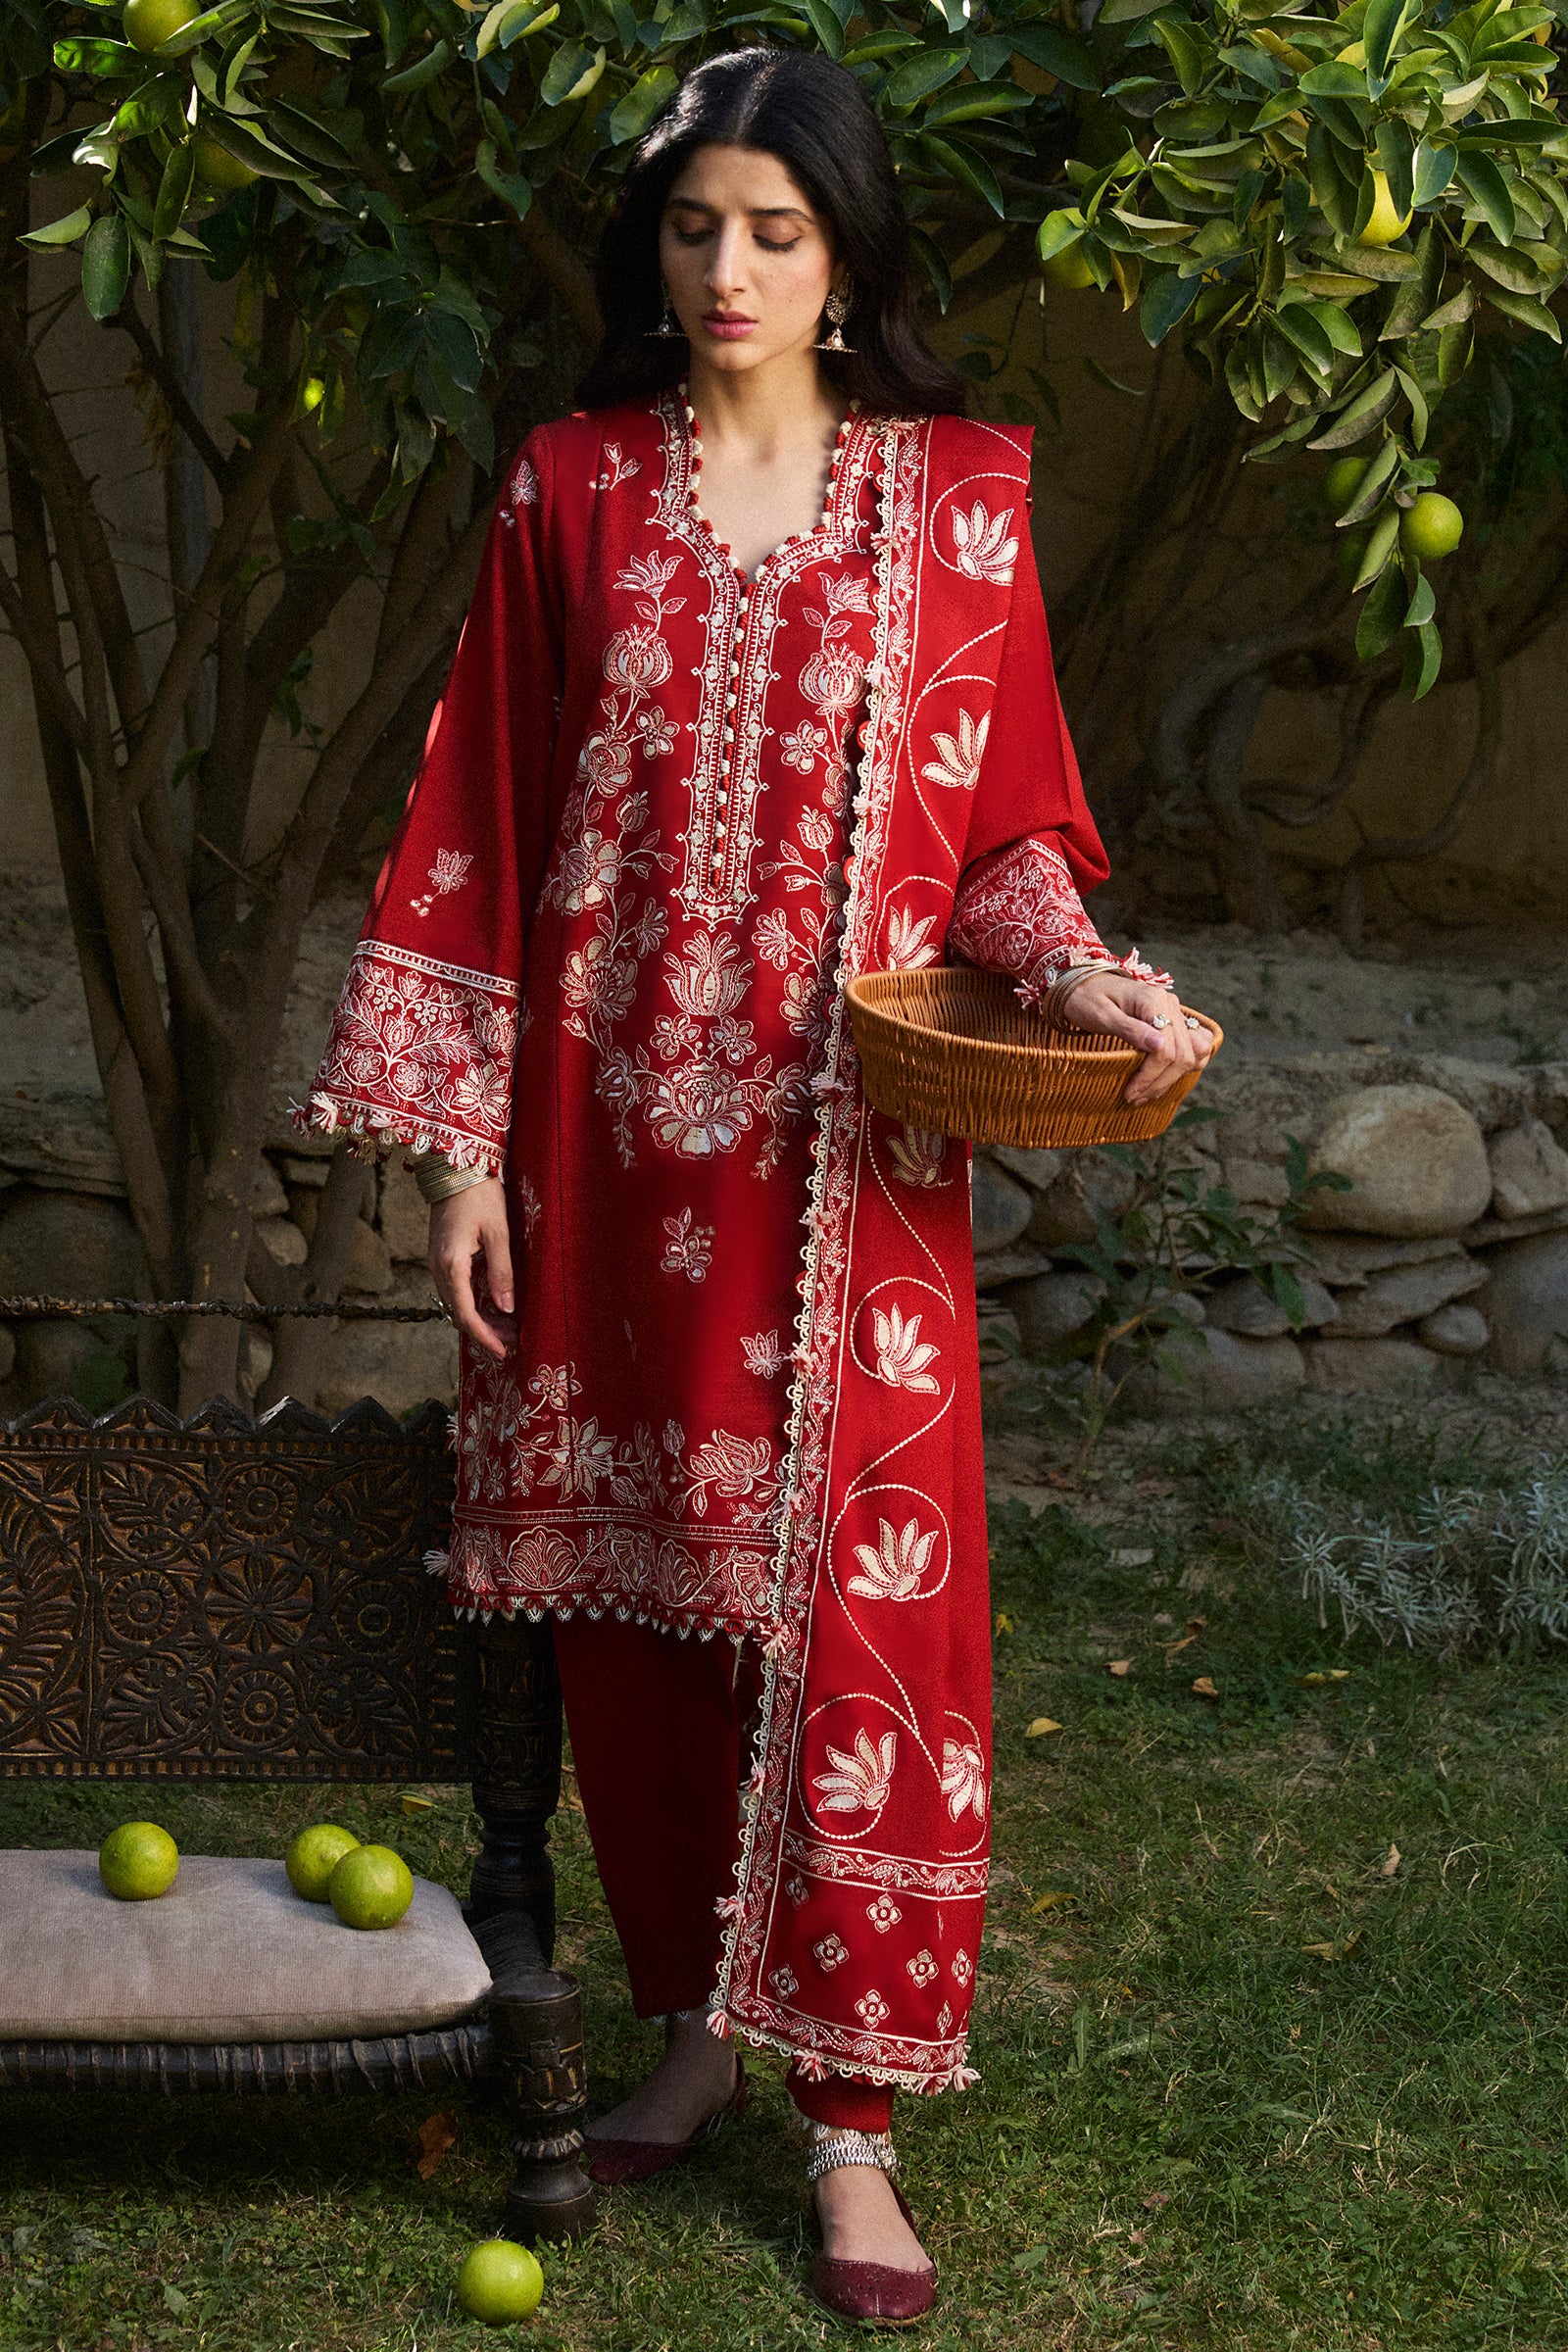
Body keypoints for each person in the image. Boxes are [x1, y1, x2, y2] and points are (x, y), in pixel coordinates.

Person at [303, 44, 1210, 2325]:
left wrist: (1074, 973)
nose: (726, 270)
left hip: (842, 1171)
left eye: (774, 232)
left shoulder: (956, 502)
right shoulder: (571, 487)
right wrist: (465, 1154)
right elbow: (484, 815)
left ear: (845, 254)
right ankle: (699, 2031)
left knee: (851, 1614)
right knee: (636, 1617)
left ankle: (851, 2128)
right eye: (692, 225)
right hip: (603, 1152)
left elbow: (1002, 832)